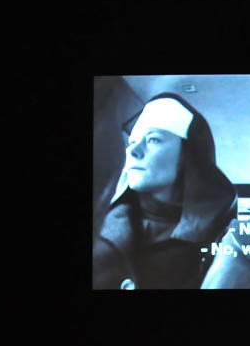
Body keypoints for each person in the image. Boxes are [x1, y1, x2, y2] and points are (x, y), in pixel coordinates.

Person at [93, 93, 237, 289]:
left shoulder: (226, 241)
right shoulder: (99, 225)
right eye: (132, 142)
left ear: (188, 154)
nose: (133, 151)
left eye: (153, 140)